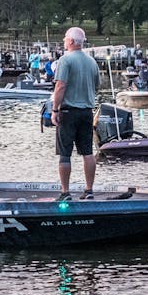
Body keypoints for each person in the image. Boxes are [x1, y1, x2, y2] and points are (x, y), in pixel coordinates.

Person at [52, 26, 100, 200]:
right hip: (87, 111)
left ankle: (65, 192)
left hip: (68, 111)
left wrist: (54, 109)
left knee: (65, 153)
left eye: (65, 38)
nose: (64, 41)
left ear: (71, 41)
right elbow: (96, 85)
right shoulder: (92, 61)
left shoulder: (65, 60)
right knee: (87, 152)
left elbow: (60, 86)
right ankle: (89, 190)